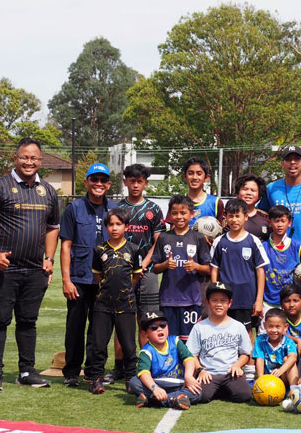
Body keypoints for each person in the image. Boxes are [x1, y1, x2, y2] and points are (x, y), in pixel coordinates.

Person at [0, 138, 59, 391]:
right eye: (24, 157)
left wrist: (49, 259)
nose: (29, 162)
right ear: (15, 158)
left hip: (35, 271)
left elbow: (52, 228)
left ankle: (27, 371)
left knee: (28, 321)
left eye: (34, 158)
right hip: (7, 269)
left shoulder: (47, 190)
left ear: (40, 161)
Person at [107, 163, 165, 384]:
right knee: (121, 319)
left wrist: (143, 266)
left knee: (146, 319)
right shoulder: (118, 209)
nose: (135, 185)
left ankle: (144, 367)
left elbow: (158, 241)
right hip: (121, 273)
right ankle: (119, 367)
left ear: (145, 183)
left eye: (139, 181)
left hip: (147, 273)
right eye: (131, 181)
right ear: (125, 182)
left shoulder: (154, 209)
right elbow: (113, 239)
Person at [59, 162, 116, 387]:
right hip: (79, 278)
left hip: (105, 279)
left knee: (99, 329)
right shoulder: (74, 208)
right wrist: (66, 280)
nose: (98, 184)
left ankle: (94, 372)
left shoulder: (114, 209)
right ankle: (72, 372)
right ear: (86, 182)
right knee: (75, 326)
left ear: (109, 184)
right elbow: (66, 246)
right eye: (95, 179)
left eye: (103, 180)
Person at [210, 198, 268, 380]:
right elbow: (214, 268)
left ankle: (249, 371)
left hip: (246, 297)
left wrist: (259, 300)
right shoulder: (219, 241)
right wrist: (213, 293)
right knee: (224, 332)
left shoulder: (253, 241)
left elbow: (260, 271)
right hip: (224, 300)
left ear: (245, 217)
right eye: (231, 216)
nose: (234, 220)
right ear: (225, 218)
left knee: (246, 333)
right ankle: (225, 368)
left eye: (238, 216)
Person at [87, 207, 142, 394]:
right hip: (103, 305)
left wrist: (124, 292)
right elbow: (98, 276)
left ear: (126, 226)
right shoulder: (99, 249)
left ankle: (130, 379)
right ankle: (96, 379)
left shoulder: (134, 249)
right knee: (99, 345)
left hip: (126, 304)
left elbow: (135, 278)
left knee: (128, 345)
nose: (114, 228)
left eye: (119, 224)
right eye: (111, 224)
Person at [152, 195, 211, 341]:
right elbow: (155, 268)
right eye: (175, 213)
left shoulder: (198, 238)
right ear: (170, 214)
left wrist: (196, 266)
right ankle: (172, 364)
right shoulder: (164, 237)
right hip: (168, 299)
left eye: (183, 213)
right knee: (169, 339)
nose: (179, 217)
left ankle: (189, 365)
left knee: (189, 340)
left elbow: (208, 269)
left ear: (191, 214)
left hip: (192, 300)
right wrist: (165, 265)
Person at [185, 282, 252, 403]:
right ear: (208, 303)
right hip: (209, 374)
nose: (219, 304)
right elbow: (192, 355)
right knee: (201, 396)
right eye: (214, 300)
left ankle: (221, 389)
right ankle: (216, 389)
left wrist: (237, 365)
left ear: (230, 303)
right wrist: (200, 370)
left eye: (223, 300)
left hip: (230, 373)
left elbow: (245, 354)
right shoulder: (199, 327)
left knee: (244, 395)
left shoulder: (238, 326)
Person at [128, 310, 202, 409]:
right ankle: (174, 400)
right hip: (157, 383)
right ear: (145, 334)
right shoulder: (146, 351)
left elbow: (189, 359)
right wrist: (155, 388)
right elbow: (143, 373)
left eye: (163, 325)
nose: (159, 329)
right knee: (134, 383)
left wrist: (188, 377)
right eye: (154, 328)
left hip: (178, 383)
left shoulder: (175, 341)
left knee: (198, 392)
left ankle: (151, 400)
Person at [258, 145, 301, 246]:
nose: (292, 162)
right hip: (280, 252)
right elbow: (261, 215)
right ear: (282, 164)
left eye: (297, 159)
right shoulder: (272, 189)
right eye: (288, 159)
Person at [252, 308, 298, 386]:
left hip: (284, 377)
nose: (274, 330)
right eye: (270, 326)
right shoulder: (260, 340)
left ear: (285, 327)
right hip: (268, 379)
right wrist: (261, 379)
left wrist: (280, 370)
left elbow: (293, 357)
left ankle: (293, 391)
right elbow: (260, 359)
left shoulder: (288, 341)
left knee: (287, 359)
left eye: (278, 327)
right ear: (265, 326)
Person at [181, 156, 224, 227]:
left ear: (206, 177)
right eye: (190, 173)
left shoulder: (216, 203)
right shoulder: (178, 202)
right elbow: (173, 231)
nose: (194, 177)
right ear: (185, 177)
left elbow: (221, 229)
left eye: (199, 173)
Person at [233, 174, 270, 240]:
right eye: (245, 189)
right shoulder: (228, 217)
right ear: (238, 193)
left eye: (253, 190)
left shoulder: (267, 218)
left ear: (259, 195)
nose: (249, 193)